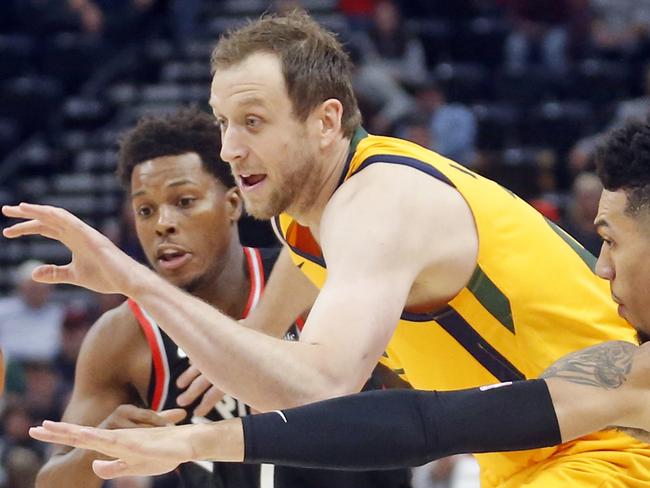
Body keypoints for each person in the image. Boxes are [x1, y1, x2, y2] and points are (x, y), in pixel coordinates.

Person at [4, 11, 650, 486]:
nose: (229, 148)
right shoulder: (305, 213)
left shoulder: (379, 204)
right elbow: (306, 265)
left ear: (326, 122)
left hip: (609, 441)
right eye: (224, 121)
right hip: (526, 449)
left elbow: (318, 386)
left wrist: (137, 281)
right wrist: (255, 329)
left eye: (253, 122)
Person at [33, 108, 410, 488]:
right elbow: (50, 481)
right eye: (145, 210)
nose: (162, 223)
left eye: (184, 201)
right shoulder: (125, 336)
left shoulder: (307, 274)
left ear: (233, 203)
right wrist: (97, 447)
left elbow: (408, 394)